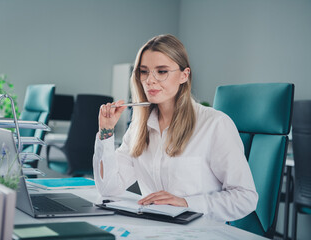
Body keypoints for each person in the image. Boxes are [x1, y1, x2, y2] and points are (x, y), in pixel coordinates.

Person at [93, 34, 258, 222]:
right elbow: (109, 189)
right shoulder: (139, 128)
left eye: (162, 71)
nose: (150, 80)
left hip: (199, 232)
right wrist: (106, 132)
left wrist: (186, 203)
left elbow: (246, 198)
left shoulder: (214, 124)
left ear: (184, 75)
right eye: (144, 71)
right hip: (154, 230)